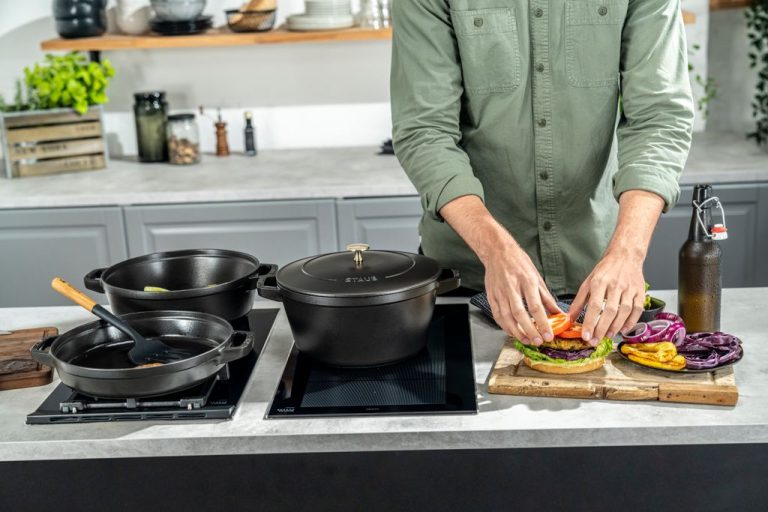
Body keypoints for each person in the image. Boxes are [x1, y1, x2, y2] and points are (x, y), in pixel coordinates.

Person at [391, 1, 694, 347]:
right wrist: (496, 250)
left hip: (599, 282)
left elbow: (659, 119)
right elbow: (425, 131)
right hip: (471, 279)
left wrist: (628, 252)